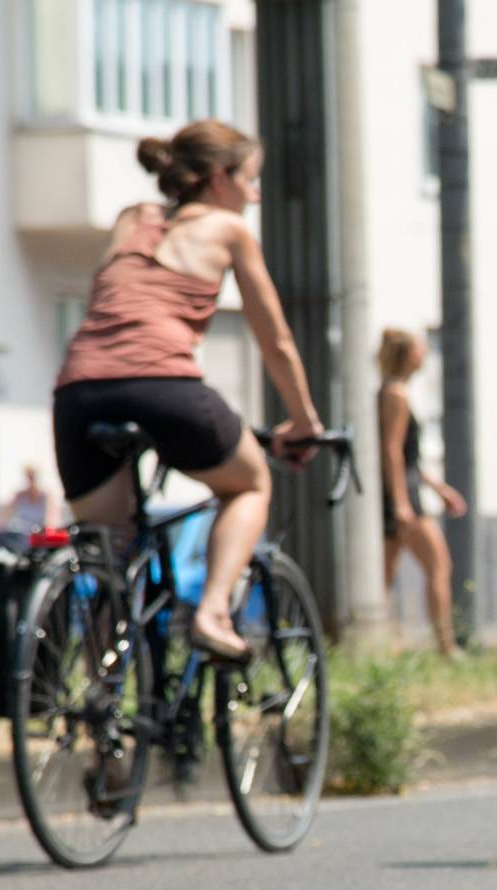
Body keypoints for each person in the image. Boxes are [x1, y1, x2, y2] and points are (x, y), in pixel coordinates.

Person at [52, 119, 322, 665]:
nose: (255, 193)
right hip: (163, 386)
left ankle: (102, 727)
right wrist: (304, 422)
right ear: (219, 178)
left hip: (79, 393)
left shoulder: (132, 219)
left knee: (110, 556)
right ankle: (214, 614)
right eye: (249, 179)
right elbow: (277, 342)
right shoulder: (228, 230)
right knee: (249, 484)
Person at [377, 328, 469, 658]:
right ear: (408, 355)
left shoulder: (394, 392)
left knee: (383, 577)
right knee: (438, 565)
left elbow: (409, 457)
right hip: (403, 498)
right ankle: (446, 648)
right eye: (420, 349)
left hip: (402, 491)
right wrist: (401, 503)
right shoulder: (395, 395)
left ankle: (380, 645)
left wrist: (440, 489)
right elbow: (391, 451)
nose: (425, 355)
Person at [0, 464, 62, 536]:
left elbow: (52, 518)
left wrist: (48, 530)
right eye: (28, 478)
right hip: (22, 536)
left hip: (40, 536)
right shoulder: (19, 495)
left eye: (32, 477)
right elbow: (4, 514)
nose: (30, 481)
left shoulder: (47, 496)